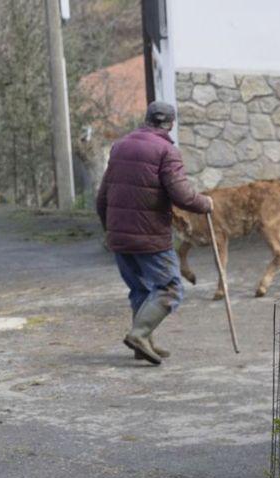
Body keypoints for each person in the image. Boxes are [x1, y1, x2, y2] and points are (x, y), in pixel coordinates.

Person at [95, 101, 213, 366]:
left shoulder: (120, 146)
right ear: (171, 123)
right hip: (150, 237)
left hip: (119, 236)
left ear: (147, 119)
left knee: (141, 289)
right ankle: (139, 334)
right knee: (170, 288)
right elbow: (181, 195)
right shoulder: (166, 150)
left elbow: (102, 196)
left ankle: (143, 344)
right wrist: (205, 203)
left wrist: (109, 230)